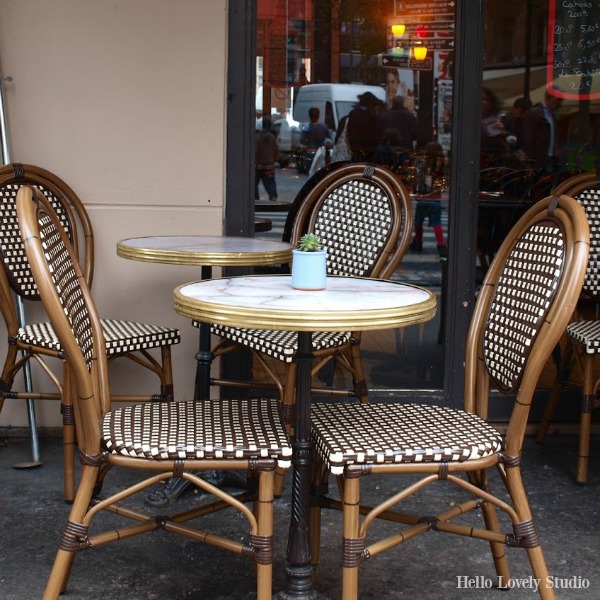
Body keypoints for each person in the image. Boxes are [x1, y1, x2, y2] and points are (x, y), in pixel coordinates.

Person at [522, 89, 563, 172]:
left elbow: (555, 135)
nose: (559, 103)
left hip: (551, 156)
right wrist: (529, 158)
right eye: (557, 99)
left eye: (561, 100)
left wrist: (556, 148)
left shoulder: (554, 116)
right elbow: (528, 137)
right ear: (548, 98)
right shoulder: (534, 113)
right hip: (538, 157)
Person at [346, 91, 385, 162]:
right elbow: (376, 132)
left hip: (355, 148)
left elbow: (349, 131)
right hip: (369, 149)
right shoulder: (371, 115)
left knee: (357, 169)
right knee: (368, 170)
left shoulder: (353, 113)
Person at [480, 87, 506, 168]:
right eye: (481, 99)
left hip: (496, 162)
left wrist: (504, 132)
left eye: (486, 100)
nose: (483, 102)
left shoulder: (502, 118)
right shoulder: (469, 120)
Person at [255, 117, 279, 201]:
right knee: (270, 182)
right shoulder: (272, 137)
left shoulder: (257, 137)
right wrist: (274, 160)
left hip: (258, 165)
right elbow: (276, 150)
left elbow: (255, 150)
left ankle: (255, 199)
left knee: (254, 184)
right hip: (269, 165)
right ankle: (273, 196)